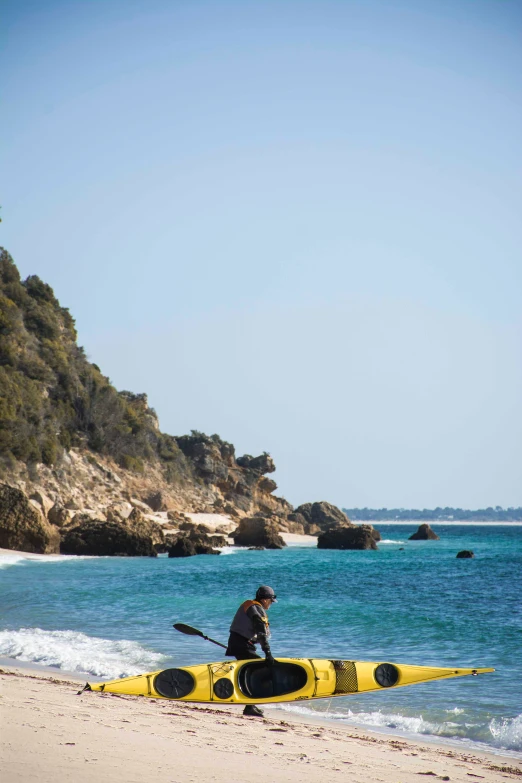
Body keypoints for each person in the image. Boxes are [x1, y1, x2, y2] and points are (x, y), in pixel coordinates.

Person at [226, 585, 277, 717]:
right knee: (258, 670)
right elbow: (261, 634)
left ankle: (250, 705)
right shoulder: (255, 610)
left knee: (251, 672)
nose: (271, 604)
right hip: (242, 644)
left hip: (240, 644)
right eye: (271, 601)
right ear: (265, 599)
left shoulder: (250, 605)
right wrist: (268, 654)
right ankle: (249, 706)